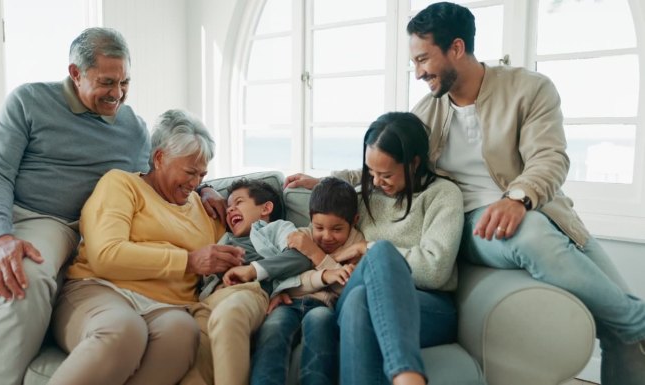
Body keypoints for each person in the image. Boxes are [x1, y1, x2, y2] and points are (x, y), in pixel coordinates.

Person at [287, 3, 645, 384]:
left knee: (624, 329)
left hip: (537, 210)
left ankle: (635, 326)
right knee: (538, 238)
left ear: (456, 48)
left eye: (424, 59)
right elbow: (388, 159)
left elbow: (550, 157)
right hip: (474, 223)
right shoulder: (427, 112)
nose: (418, 71)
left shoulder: (529, 89)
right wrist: (327, 180)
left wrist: (518, 197)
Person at [0, 27, 152, 385]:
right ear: (75, 74)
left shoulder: (134, 130)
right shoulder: (29, 100)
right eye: (107, 83)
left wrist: (204, 192)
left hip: (50, 221)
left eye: (125, 82)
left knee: (23, 278)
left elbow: (158, 180)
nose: (118, 94)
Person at [48, 109, 243, 385]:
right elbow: (106, 255)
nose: (195, 182)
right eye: (190, 172)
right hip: (100, 290)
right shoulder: (122, 184)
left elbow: (248, 238)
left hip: (167, 307)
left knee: (183, 332)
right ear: (160, 158)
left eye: (202, 175)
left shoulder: (205, 207)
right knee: (125, 329)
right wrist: (188, 261)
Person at [290, 112, 464, 385]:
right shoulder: (362, 196)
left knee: (378, 258)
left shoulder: (442, 195)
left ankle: (406, 375)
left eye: (386, 174)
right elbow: (338, 192)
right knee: (362, 292)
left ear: (414, 163)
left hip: (426, 305)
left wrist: (366, 247)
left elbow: (435, 270)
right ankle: (407, 376)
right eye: (370, 172)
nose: (376, 181)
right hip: (351, 296)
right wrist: (322, 182)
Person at [197, 178, 314, 385]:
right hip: (209, 299)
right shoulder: (224, 238)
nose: (230, 210)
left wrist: (252, 270)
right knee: (194, 354)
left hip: (249, 291)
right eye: (228, 207)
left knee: (230, 315)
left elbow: (301, 256)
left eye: (239, 203)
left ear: (266, 208)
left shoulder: (276, 228)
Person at [250, 176, 365, 385]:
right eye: (319, 227)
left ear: (354, 221)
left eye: (337, 229)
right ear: (310, 219)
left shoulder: (356, 243)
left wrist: (315, 255)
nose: (327, 237)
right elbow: (284, 275)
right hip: (289, 303)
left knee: (320, 323)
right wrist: (283, 289)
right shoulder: (300, 236)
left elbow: (344, 286)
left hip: (324, 306)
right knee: (273, 329)